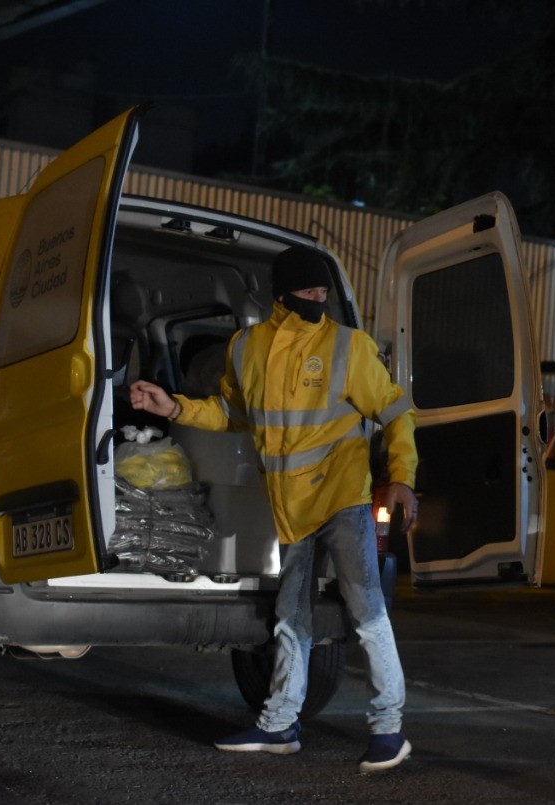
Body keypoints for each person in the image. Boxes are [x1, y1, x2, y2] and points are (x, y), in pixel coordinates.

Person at [129, 244, 419, 773]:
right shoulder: (246, 349)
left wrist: (401, 477)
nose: (319, 299)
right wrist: (172, 406)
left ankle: (388, 730)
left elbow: (397, 412)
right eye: (310, 291)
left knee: (368, 614)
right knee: (291, 619)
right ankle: (279, 724)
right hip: (290, 510)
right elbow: (230, 414)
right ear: (283, 294)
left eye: (323, 292)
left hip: (342, 499)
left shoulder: (348, 347)